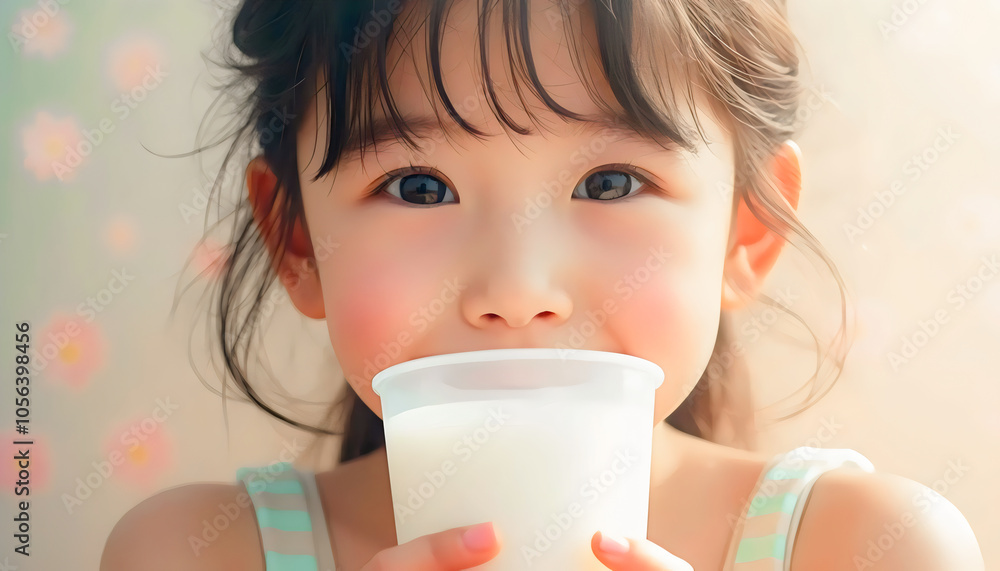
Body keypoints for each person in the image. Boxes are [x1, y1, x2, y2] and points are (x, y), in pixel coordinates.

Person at [100, 0, 985, 569]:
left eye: (609, 183)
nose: (517, 290)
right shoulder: (190, 552)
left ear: (744, 231)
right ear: (296, 242)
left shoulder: (873, 548)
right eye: (417, 186)